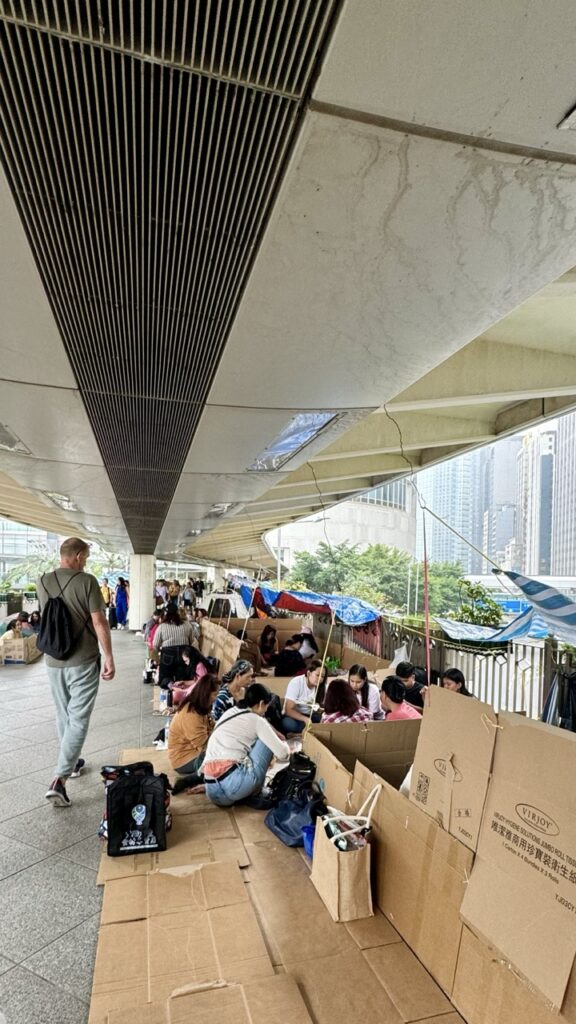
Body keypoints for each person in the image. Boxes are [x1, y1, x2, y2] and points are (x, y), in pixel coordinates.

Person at [37, 537, 115, 807]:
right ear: (79, 556)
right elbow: (99, 621)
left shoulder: (42, 581)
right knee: (78, 718)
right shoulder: (87, 581)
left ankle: (72, 762)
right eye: (87, 557)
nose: (87, 562)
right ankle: (59, 778)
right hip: (83, 659)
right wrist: (109, 656)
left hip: (53, 659)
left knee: (64, 715)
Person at [203, 683, 290, 807]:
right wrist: (284, 745)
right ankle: (256, 792)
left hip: (211, 789)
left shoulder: (231, 712)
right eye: (266, 706)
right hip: (233, 788)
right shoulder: (257, 721)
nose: (266, 710)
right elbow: (283, 755)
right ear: (261, 704)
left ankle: (245, 792)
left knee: (253, 741)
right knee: (266, 742)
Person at [168, 674, 219, 791]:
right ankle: (192, 779)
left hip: (194, 750)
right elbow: (204, 746)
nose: (216, 697)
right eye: (215, 694)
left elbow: (212, 727)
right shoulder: (191, 713)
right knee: (222, 762)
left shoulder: (200, 706)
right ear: (206, 694)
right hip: (183, 759)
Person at [152, 607, 200, 688]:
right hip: (183, 655)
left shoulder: (162, 627)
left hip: (167, 655)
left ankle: (170, 687)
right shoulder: (187, 624)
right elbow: (191, 641)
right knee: (182, 678)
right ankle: (180, 692)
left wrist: (160, 651)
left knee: (165, 677)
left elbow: (155, 644)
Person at [282, 659, 327, 734]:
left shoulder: (321, 686)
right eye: (317, 675)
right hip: (296, 716)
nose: (320, 679)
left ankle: (309, 729)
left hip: (311, 715)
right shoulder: (296, 683)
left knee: (326, 721)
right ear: (309, 673)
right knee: (288, 723)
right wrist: (305, 719)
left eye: (322, 676)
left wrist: (320, 709)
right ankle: (311, 729)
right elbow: (288, 710)